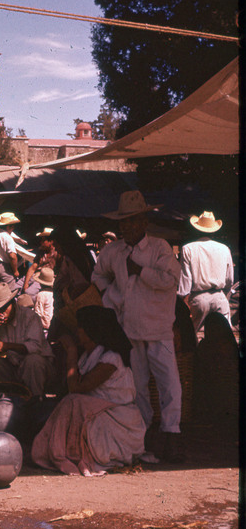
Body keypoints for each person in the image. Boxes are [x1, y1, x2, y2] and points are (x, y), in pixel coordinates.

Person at [92, 190, 184, 463]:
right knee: (139, 386)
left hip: (157, 328)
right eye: (123, 222)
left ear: (144, 222)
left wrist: (140, 271)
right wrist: (111, 295)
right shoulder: (113, 251)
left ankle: (172, 434)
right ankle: (141, 439)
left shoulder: (159, 248)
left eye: (133, 221)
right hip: (130, 330)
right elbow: (98, 274)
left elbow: (170, 280)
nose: (127, 227)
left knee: (170, 384)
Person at [31, 306, 146, 476]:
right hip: (99, 414)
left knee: (73, 401)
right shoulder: (89, 356)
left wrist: (71, 352)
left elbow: (76, 388)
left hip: (118, 419)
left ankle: (67, 453)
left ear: (92, 331)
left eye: (80, 328)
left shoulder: (111, 359)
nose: (78, 333)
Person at [0, 283, 56, 398]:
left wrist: (7, 346)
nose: (0, 313)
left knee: (33, 360)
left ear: (12, 304)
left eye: (4, 308)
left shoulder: (30, 317)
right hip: (11, 367)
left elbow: (34, 347)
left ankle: (35, 400)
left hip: (38, 369)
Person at [178, 211, 234, 338]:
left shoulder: (188, 248)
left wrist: (183, 299)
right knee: (224, 338)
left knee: (191, 336)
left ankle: (193, 356)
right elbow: (229, 279)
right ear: (214, 231)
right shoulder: (224, 249)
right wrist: (224, 293)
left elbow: (185, 280)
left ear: (197, 230)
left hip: (199, 299)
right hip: (219, 297)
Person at [21, 227, 58, 297]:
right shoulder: (41, 252)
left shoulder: (57, 253)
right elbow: (33, 268)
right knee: (17, 286)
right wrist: (26, 283)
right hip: (36, 275)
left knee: (28, 293)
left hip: (45, 278)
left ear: (51, 242)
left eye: (44, 241)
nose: (41, 242)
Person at [32, 266, 55, 334]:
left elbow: (38, 312)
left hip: (44, 325)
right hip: (52, 323)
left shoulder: (41, 294)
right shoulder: (53, 293)